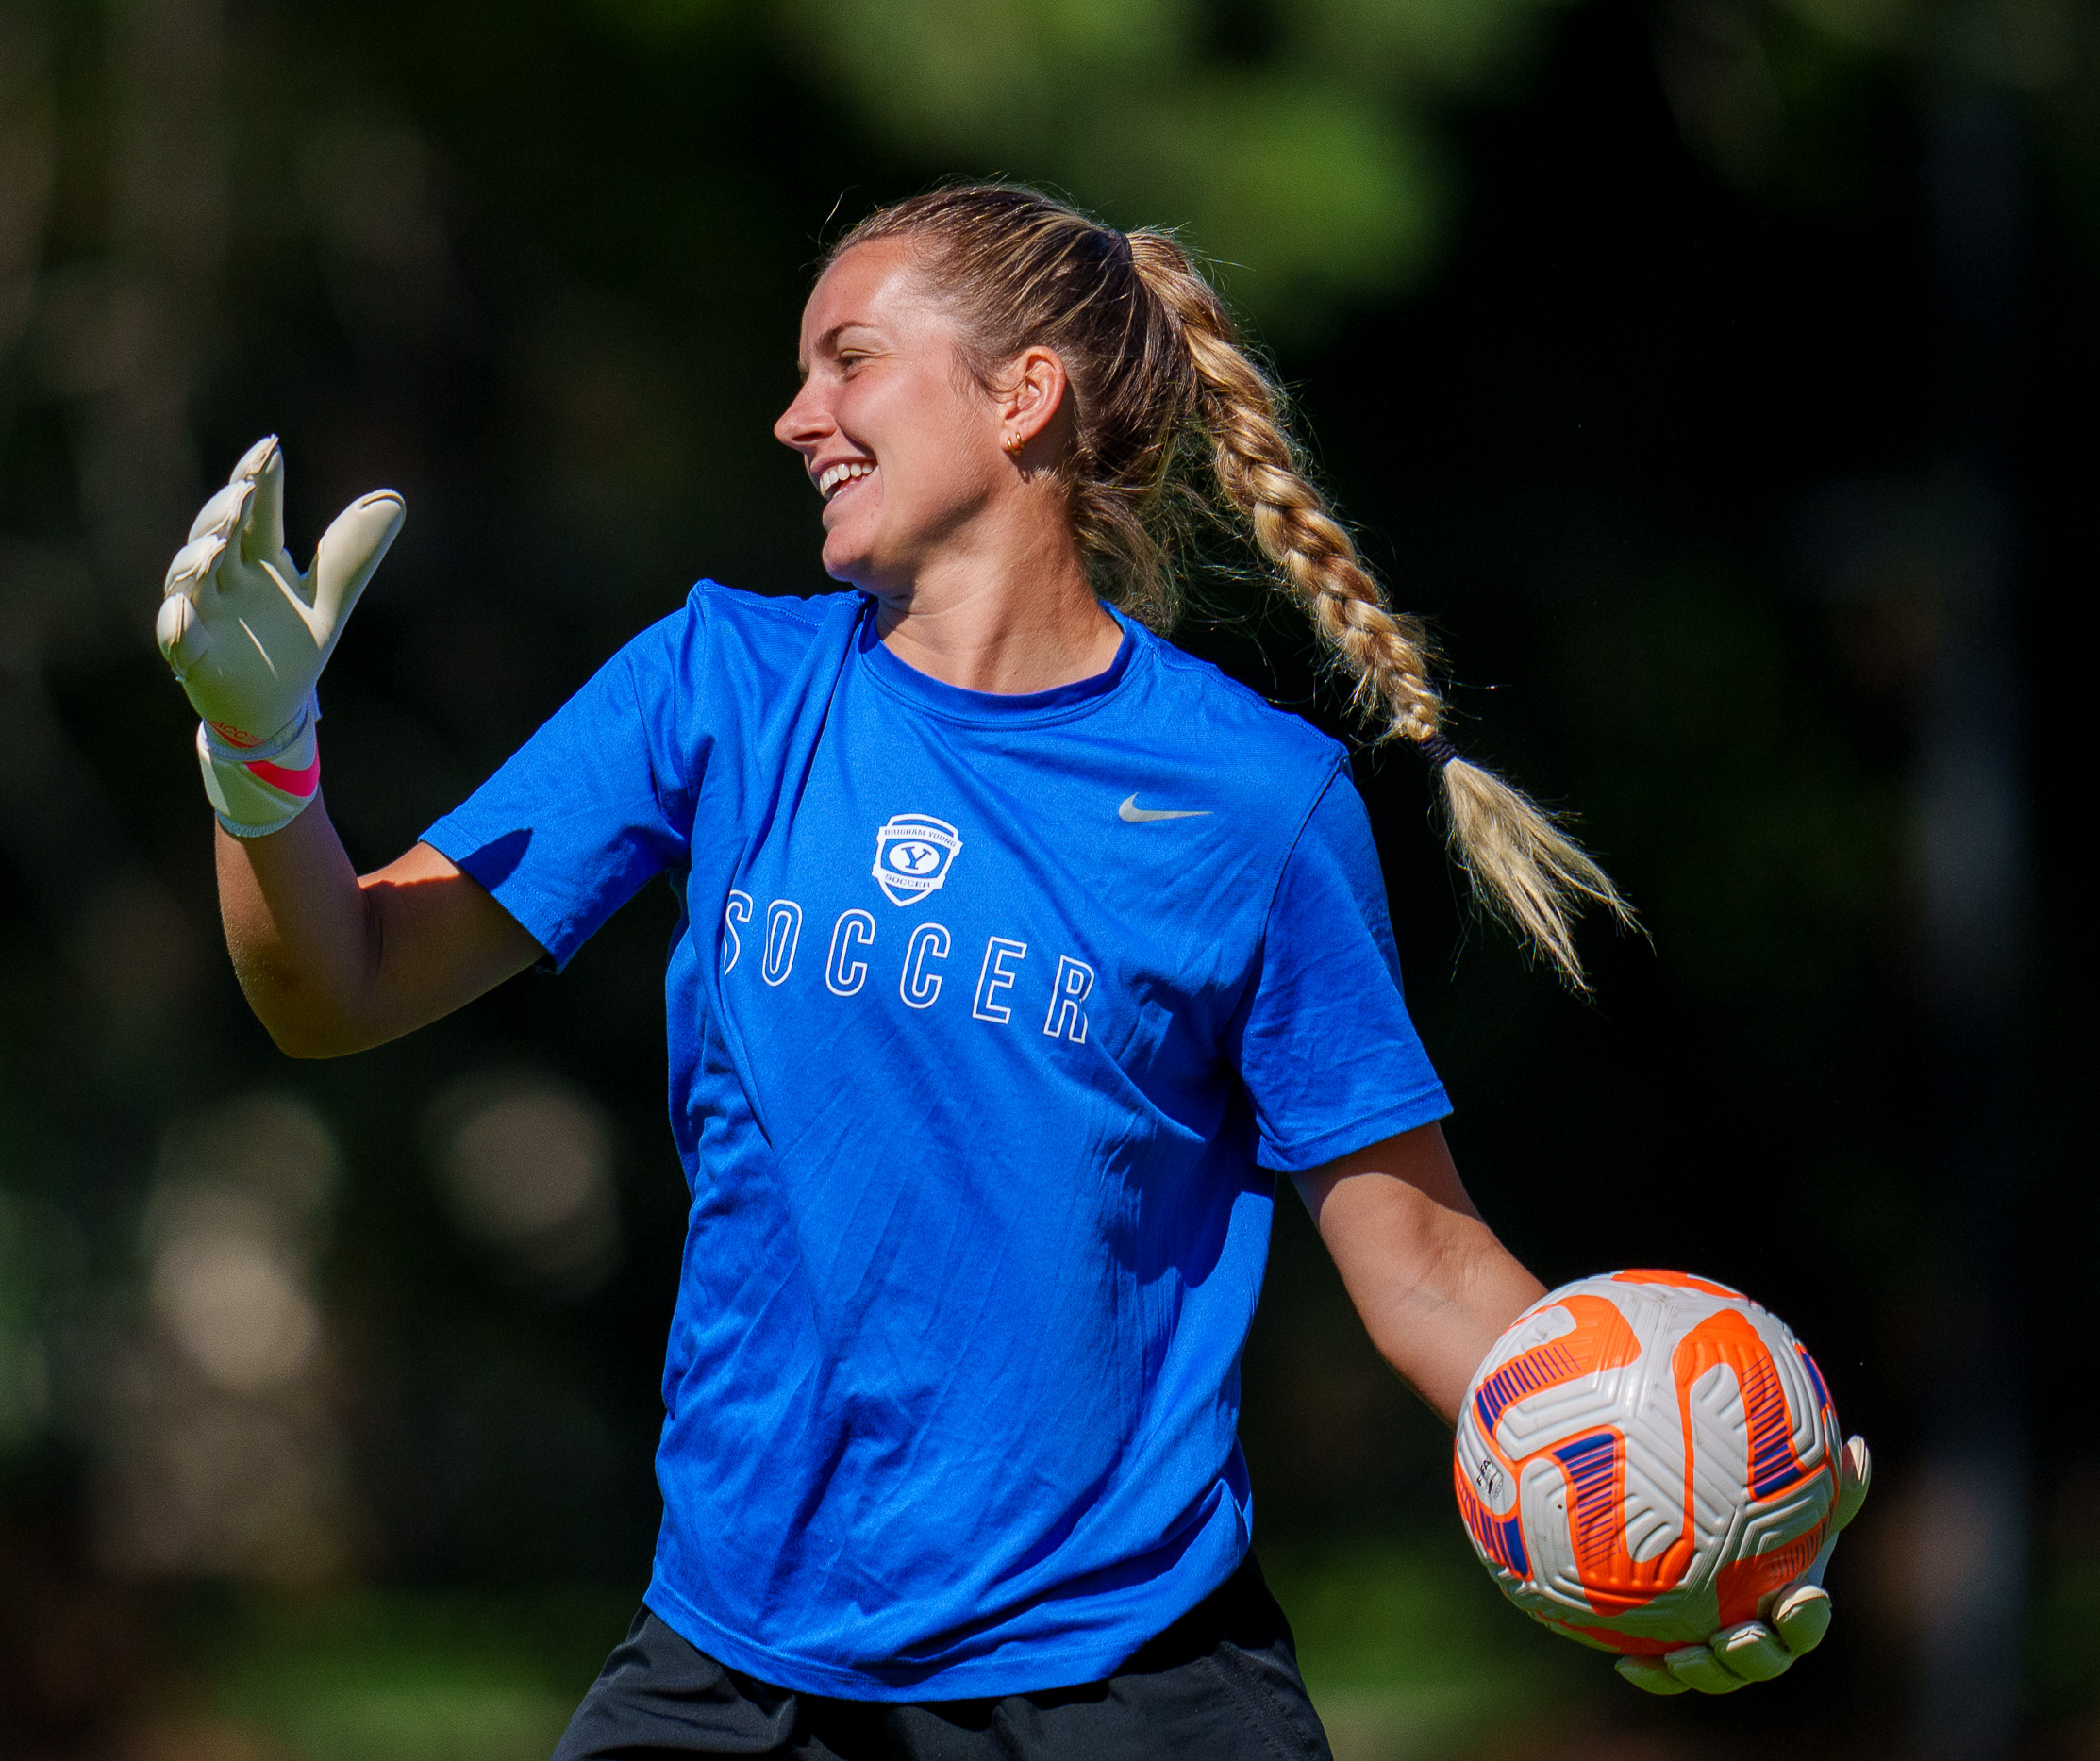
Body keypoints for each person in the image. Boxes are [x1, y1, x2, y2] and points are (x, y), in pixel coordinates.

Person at [154, 185, 1866, 1757]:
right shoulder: (721, 686)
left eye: (851, 361)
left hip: (1129, 1686)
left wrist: (1684, 1479)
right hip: (734, 1673)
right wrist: (262, 756)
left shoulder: (1251, 800)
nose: (795, 417)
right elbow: (339, 984)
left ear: (1021, 394)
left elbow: (1415, 1253)